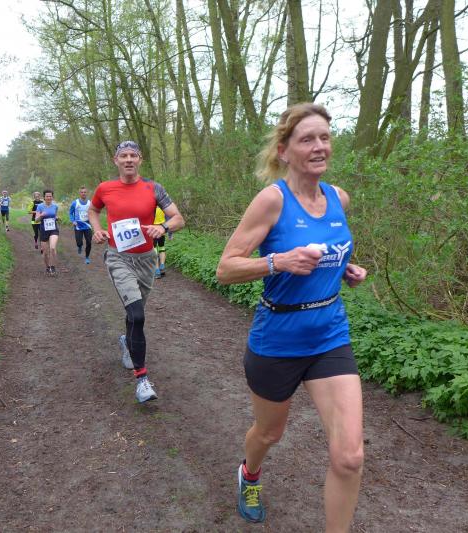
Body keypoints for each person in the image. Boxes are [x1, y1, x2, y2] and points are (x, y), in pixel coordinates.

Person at [215, 103, 368, 529]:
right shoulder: (272, 200)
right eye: (307, 139)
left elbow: (331, 250)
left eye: (325, 138)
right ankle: (250, 473)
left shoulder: (338, 198)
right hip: (278, 339)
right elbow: (225, 268)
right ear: (284, 151)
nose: (320, 146)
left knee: (350, 456)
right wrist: (277, 262)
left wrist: (345, 268)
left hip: (329, 336)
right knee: (269, 433)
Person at [88, 140, 185, 403]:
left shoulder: (153, 188)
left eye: (133, 155)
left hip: (146, 259)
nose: (128, 159)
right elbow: (94, 210)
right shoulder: (105, 188)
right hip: (118, 258)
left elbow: (178, 218)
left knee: (135, 313)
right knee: (137, 315)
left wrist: (163, 227)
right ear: (116, 160)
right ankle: (142, 380)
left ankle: (127, 342)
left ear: (140, 159)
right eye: (124, 156)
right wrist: (97, 229)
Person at [35, 190, 60, 275]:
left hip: (53, 229)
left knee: (52, 248)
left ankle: (53, 266)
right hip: (44, 230)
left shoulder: (55, 206)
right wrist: (41, 215)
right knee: (45, 253)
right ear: (44, 197)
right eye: (47, 196)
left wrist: (57, 218)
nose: (49, 198)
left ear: (52, 197)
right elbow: (36, 220)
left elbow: (55, 215)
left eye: (50, 196)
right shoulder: (40, 206)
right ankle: (47, 267)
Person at [69, 186, 93, 264]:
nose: (83, 193)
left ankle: (87, 257)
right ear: (79, 193)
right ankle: (79, 246)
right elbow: (70, 213)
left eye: (85, 192)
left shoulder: (90, 203)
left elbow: (93, 212)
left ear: (87, 193)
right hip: (78, 225)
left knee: (89, 242)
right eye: (82, 192)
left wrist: (92, 220)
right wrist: (73, 221)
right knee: (79, 242)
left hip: (87, 225)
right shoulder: (75, 203)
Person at [153, 206, 167, 278]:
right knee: (162, 247)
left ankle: (157, 270)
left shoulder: (151, 208)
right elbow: (168, 218)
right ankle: (162, 265)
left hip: (153, 230)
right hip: (162, 229)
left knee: (154, 249)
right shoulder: (163, 207)